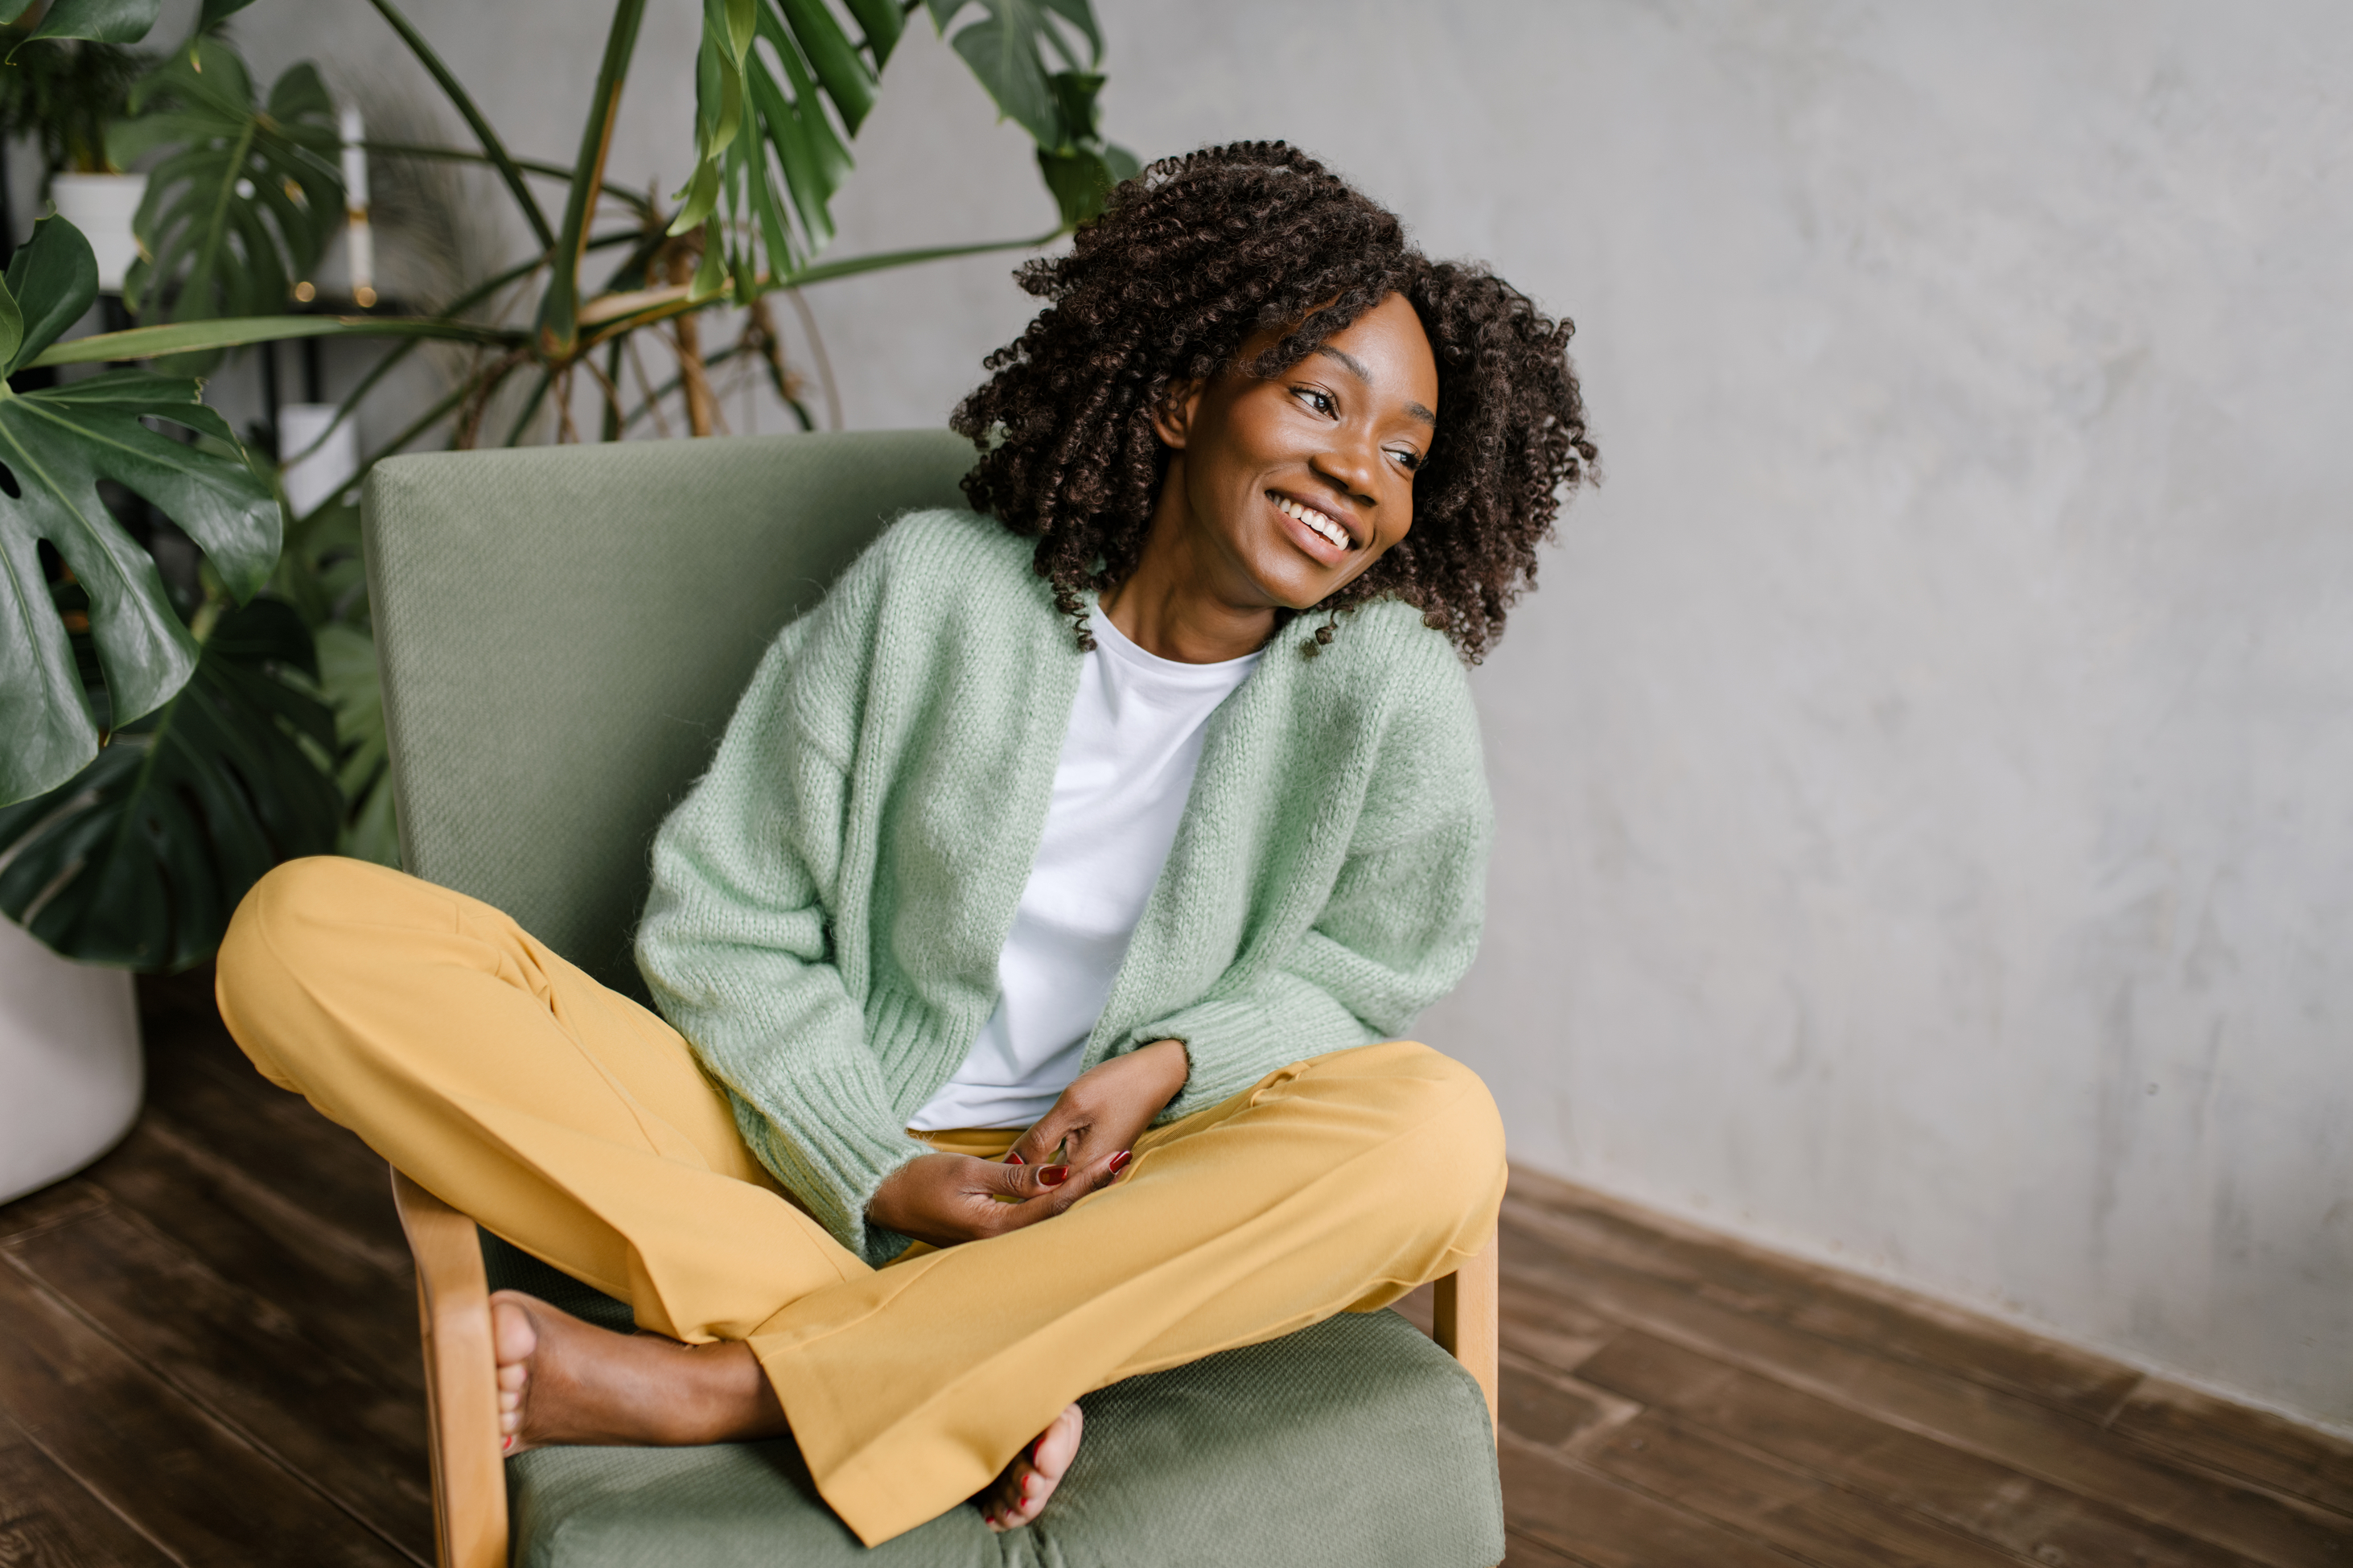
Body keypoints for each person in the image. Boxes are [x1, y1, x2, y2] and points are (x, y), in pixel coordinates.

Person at [213, 142, 1594, 1548]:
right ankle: (962, 1360)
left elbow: (1368, 973)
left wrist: (1167, 1065)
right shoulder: (934, 593)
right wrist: (872, 1162)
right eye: (1316, 399)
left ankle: (737, 1390)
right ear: (1185, 396)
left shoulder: (1386, 684)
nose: (1358, 471)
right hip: (801, 1144)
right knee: (300, 929)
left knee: (1436, 1130)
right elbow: (722, 918)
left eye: (1405, 453)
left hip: (1127, 1195)